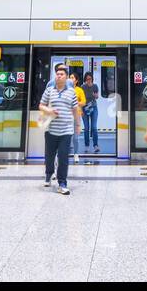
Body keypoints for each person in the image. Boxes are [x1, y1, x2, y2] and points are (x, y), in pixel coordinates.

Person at [39, 64, 81, 195]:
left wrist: (78, 125)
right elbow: (41, 105)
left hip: (66, 131)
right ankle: (48, 174)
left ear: (66, 77)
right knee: (49, 156)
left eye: (61, 74)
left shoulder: (71, 92)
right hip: (51, 130)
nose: (59, 76)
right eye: (57, 74)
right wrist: (49, 110)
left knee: (63, 157)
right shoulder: (49, 90)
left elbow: (75, 110)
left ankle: (62, 183)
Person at [80, 71, 100, 152]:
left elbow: (97, 96)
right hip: (85, 108)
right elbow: (80, 98)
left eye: (90, 79)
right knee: (86, 128)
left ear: (92, 79)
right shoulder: (82, 87)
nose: (89, 80)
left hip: (93, 107)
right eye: (87, 79)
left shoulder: (95, 86)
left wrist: (95, 95)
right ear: (85, 79)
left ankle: (95, 145)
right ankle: (87, 145)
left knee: (94, 128)